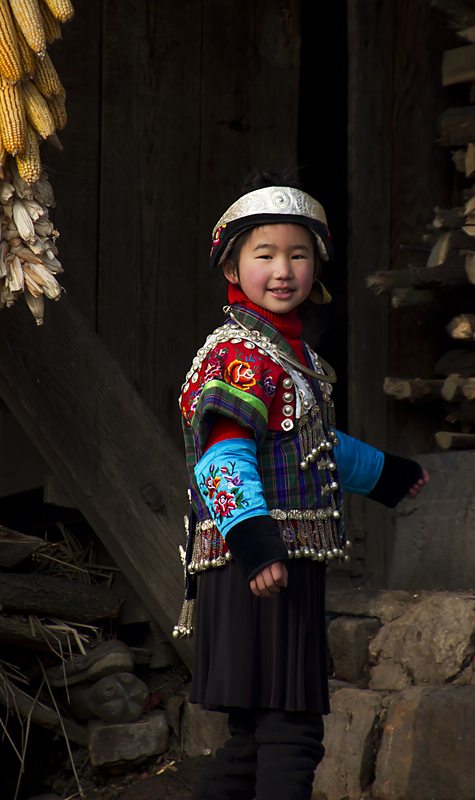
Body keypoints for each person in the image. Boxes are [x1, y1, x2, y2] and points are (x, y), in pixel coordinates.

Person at [175, 171, 429, 800]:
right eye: (265, 254)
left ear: (317, 266)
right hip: (257, 565)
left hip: (274, 564)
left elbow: (314, 447)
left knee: (257, 740)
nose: (283, 269)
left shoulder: (293, 358)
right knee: (291, 733)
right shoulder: (239, 355)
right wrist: (258, 545)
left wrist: (387, 476)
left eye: (299, 254)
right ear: (232, 267)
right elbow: (223, 457)